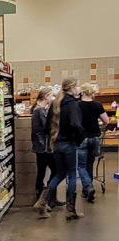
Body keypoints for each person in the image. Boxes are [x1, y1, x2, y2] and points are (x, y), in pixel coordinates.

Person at [34, 77, 85, 220]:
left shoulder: (55, 103)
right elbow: (76, 123)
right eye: (77, 86)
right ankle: (71, 210)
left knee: (60, 172)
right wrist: (80, 138)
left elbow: (46, 126)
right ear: (73, 87)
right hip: (69, 143)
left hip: (56, 143)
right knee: (72, 175)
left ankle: (42, 202)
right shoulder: (73, 104)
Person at [31, 87, 64, 211]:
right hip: (43, 147)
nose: (52, 98)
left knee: (46, 172)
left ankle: (49, 199)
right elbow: (39, 130)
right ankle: (43, 199)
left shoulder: (41, 110)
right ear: (46, 96)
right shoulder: (38, 111)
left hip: (44, 146)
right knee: (48, 171)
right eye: (51, 95)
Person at [78, 82, 109, 202]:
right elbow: (106, 120)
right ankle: (87, 190)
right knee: (89, 164)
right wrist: (98, 122)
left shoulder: (77, 105)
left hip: (81, 138)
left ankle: (88, 187)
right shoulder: (97, 105)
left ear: (82, 92)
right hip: (95, 138)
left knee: (80, 166)